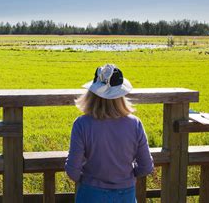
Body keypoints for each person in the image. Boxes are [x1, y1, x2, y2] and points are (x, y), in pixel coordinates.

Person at [65, 64, 154, 203]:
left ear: (92, 93)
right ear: (121, 94)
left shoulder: (81, 124)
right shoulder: (135, 124)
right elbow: (146, 166)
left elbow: (73, 170)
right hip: (125, 195)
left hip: (91, 194)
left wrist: (89, 179)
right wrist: (127, 175)